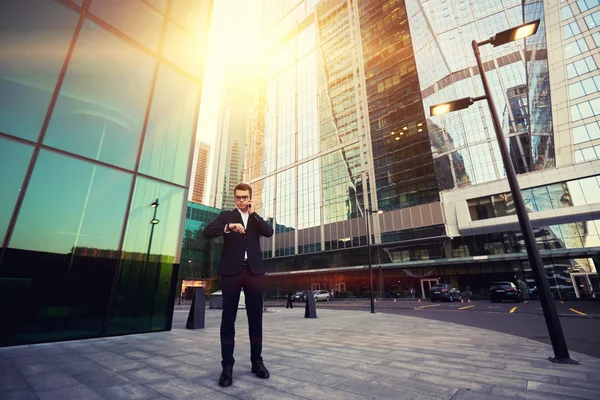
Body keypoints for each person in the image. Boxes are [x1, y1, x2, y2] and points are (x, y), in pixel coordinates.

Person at [203, 183, 274, 388]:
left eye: (244, 197)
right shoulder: (226, 216)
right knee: (228, 320)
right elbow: (208, 232)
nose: (241, 200)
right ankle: (227, 366)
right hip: (231, 273)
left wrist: (254, 213)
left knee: (256, 320)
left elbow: (268, 232)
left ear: (250, 198)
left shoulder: (255, 218)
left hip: (254, 272)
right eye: (238, 197)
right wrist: (228, 227)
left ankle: (257, 362)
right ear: (234, 198)